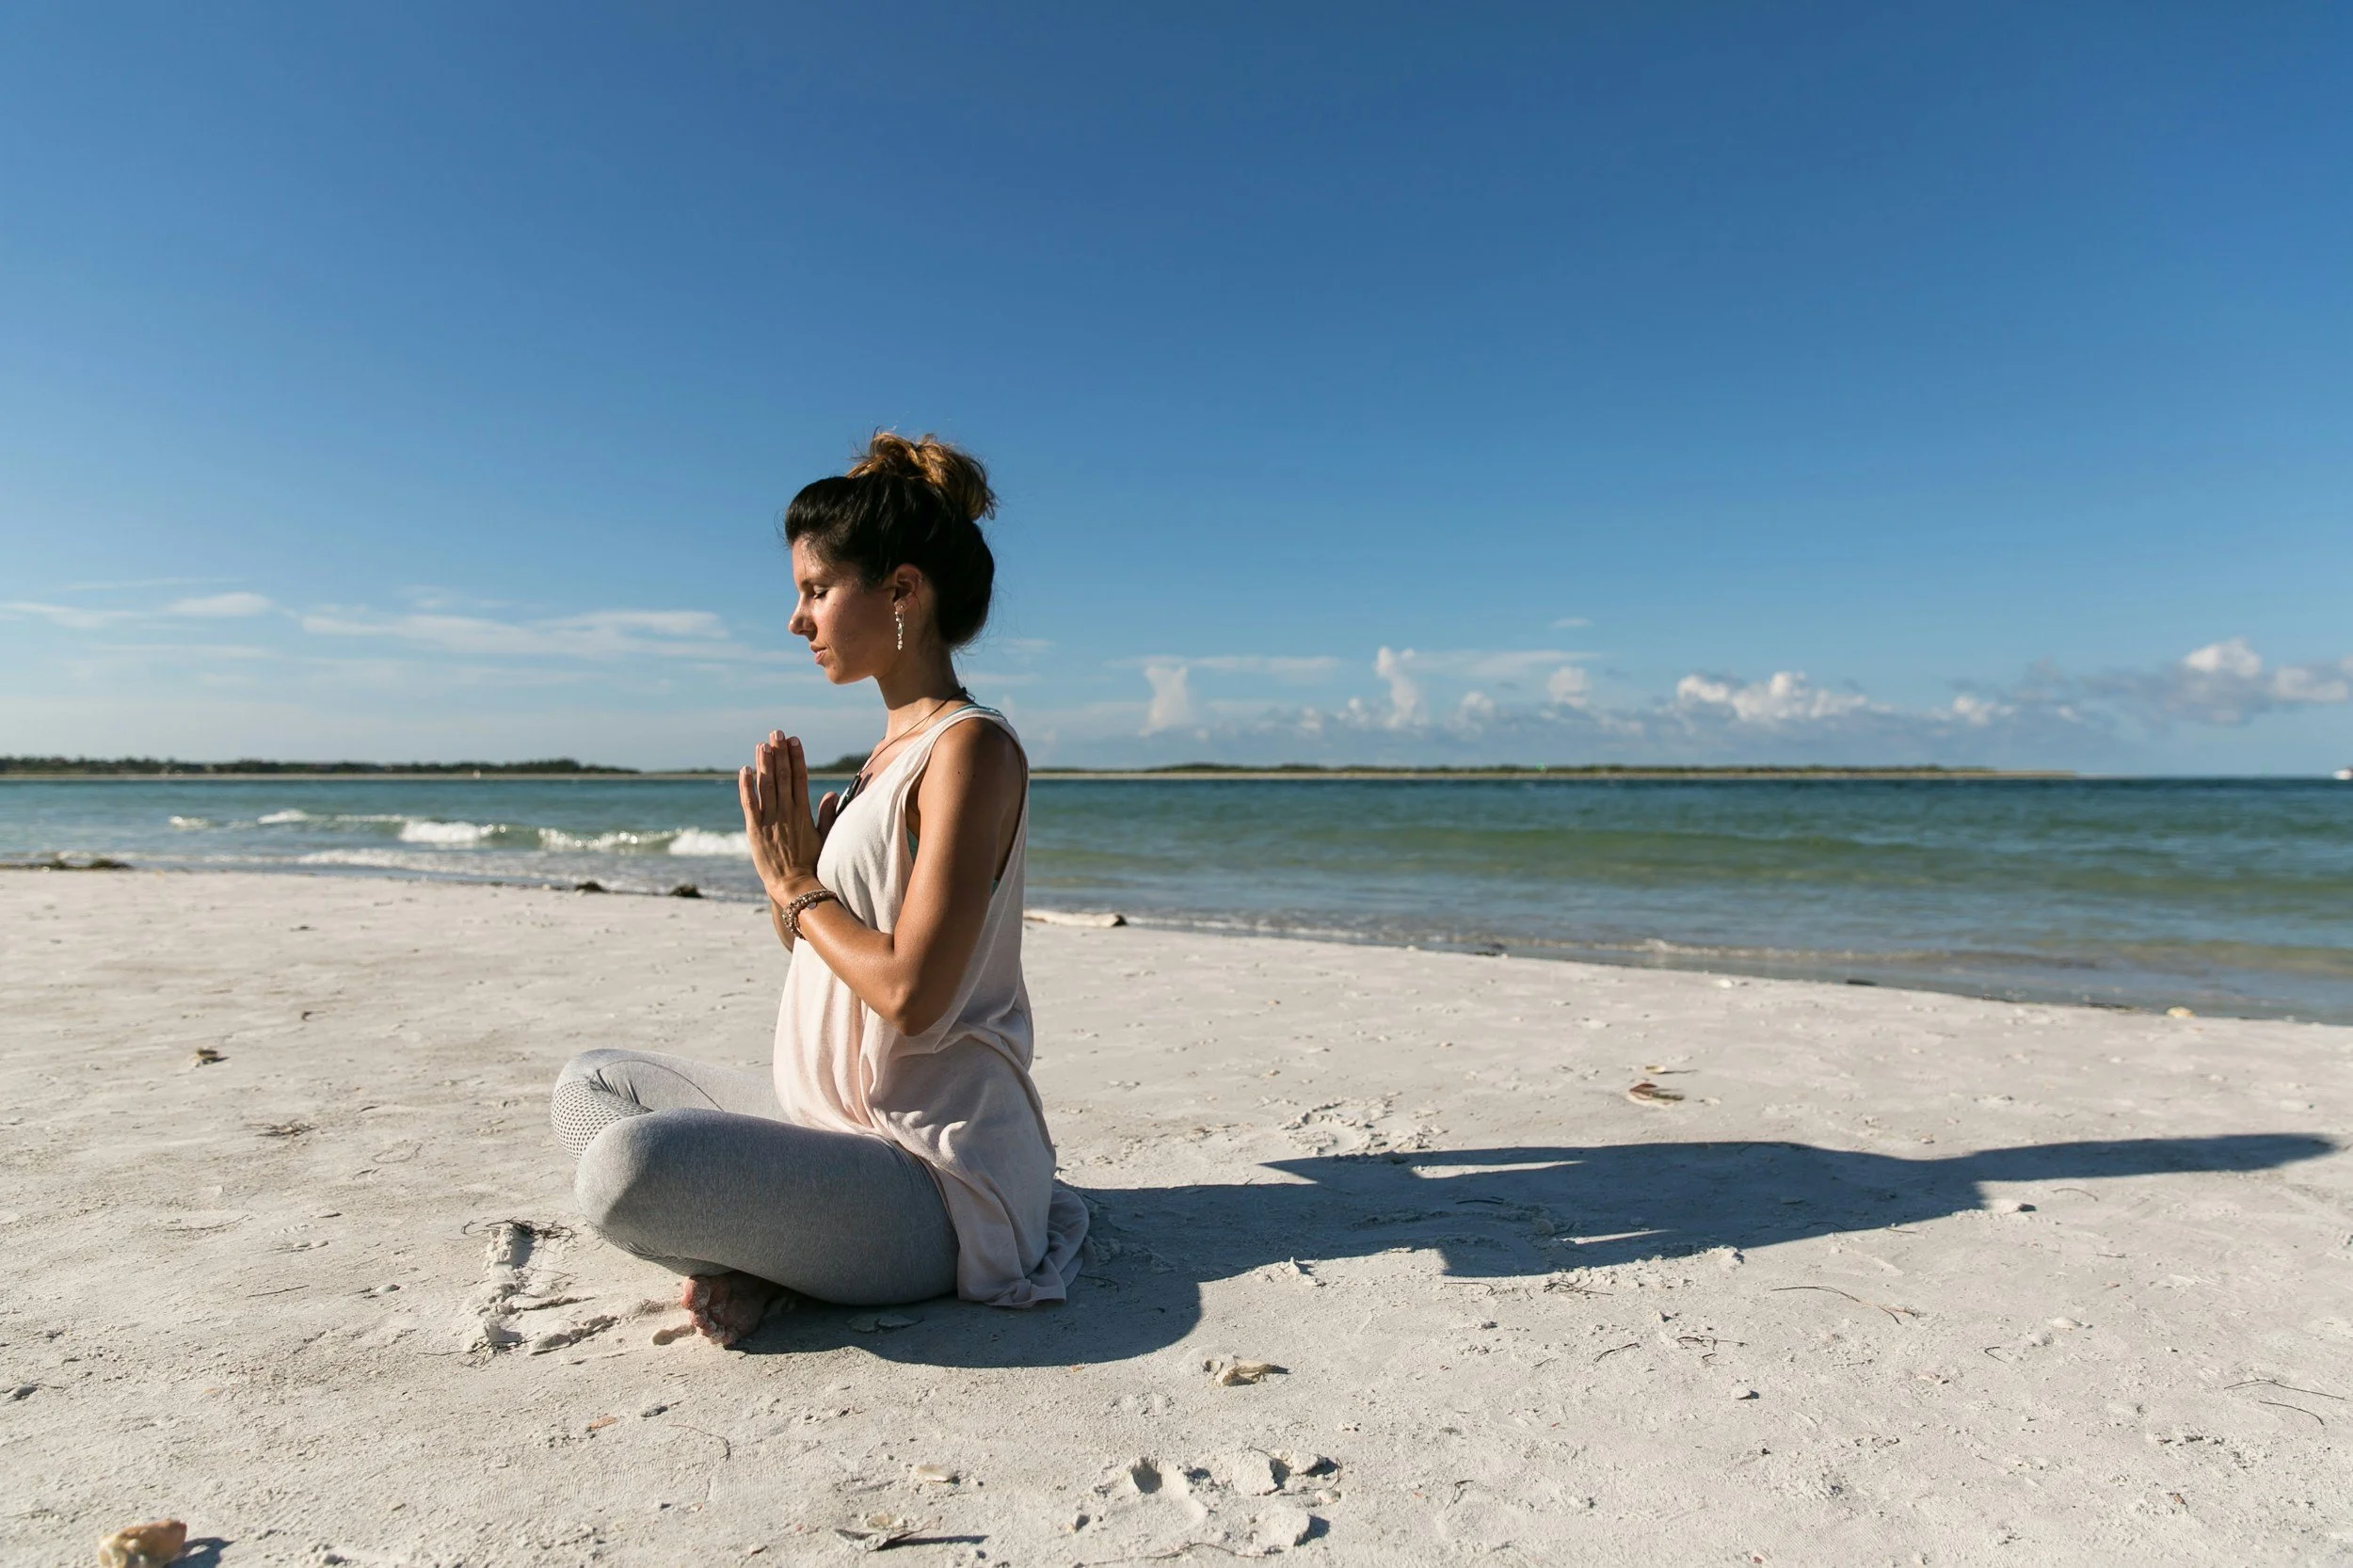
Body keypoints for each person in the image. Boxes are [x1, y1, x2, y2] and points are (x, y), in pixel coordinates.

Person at [548, 432, 1087, 1346]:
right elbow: (826, 955)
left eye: (815, 590)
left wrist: (797, 883)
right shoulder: (882, 761)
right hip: (828, 1122)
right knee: (590, 1084)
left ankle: (785, 1259)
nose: (797, 620)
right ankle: (777, 1255)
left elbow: (912, 996)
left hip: (926, 1170)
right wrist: (789, 885)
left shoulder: (971, 750)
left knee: (626, 1175)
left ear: (902, 591)